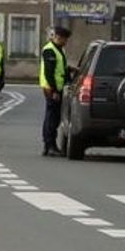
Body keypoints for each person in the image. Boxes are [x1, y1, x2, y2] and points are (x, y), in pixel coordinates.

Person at [40, 26, 71, 156]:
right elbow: (49, 73)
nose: (66, 42)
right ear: (59, 37)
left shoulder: (59, 50)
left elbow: (60, 68)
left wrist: (70, 69)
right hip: (51, 88)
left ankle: (49, 145)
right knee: (52, 118)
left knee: (53, 117)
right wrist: (54, 91)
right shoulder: (49, 51)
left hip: (57, 88)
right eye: (65, 39)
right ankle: (50, 145)